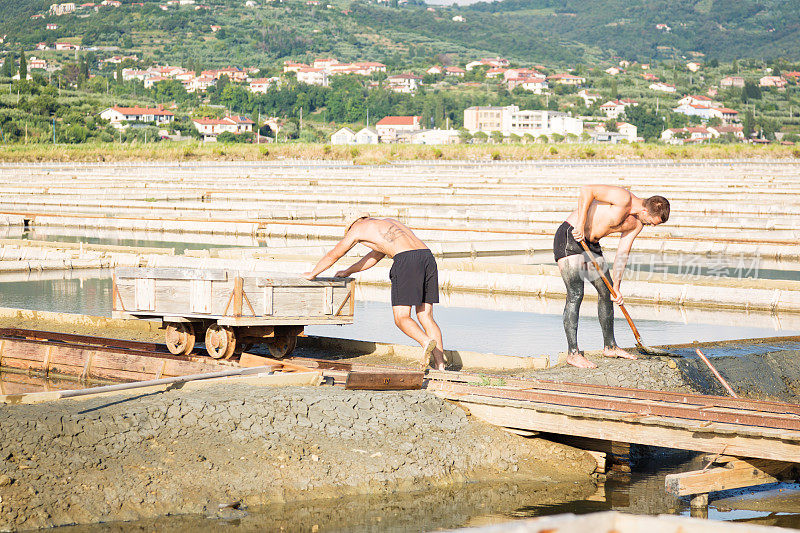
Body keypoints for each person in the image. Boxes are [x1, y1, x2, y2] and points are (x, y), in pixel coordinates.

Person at [303, 215, 446, 371]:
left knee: (401, 317)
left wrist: (313, 273)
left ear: (352, 225)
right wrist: (348, 271)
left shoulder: (357, 228)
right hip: (426, 256)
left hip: (406, 260)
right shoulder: (390, 223)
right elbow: (374, 256)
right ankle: (441, 365)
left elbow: (335, 253)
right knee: (425, 316)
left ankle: (425, 342)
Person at [554, 185, 670, 369]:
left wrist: (616, 287)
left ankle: (610, 346)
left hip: (591, 245)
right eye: (652, 222)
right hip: (571, 237)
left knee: (607, 293)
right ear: (645, 210)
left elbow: (623, 253)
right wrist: (581, 223)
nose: (651, 225)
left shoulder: (637, 224)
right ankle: (573, 353)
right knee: (576, 294)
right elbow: (587, 190)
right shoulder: (623, 197)